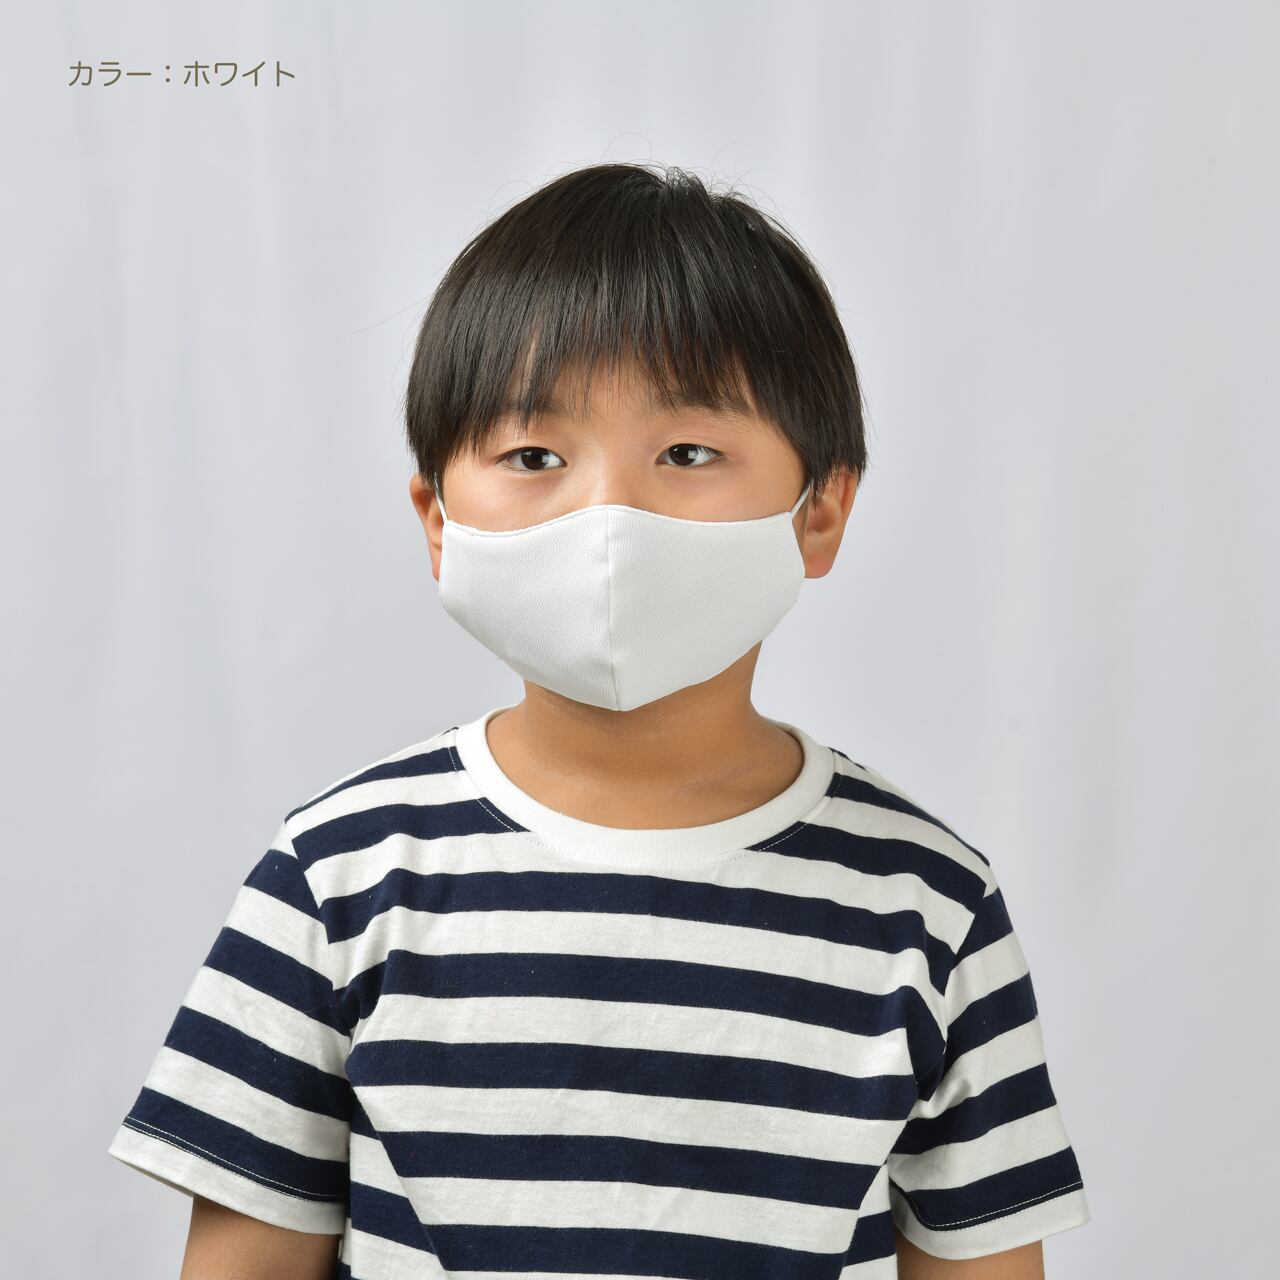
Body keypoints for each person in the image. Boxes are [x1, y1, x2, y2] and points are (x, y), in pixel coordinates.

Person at [107, 161, 1090, 1279]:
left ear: (818, 511)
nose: (608, 518)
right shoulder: (337, 877)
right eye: (533, 456)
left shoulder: (926, 902)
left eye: (687, 453)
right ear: (439, 520)